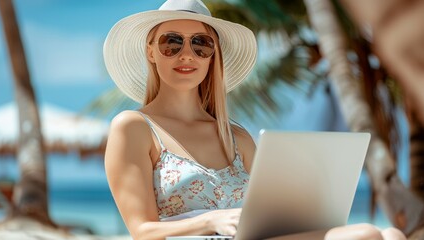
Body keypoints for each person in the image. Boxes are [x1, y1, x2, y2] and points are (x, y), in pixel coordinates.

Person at [103, 0, 407, 239]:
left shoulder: (237, 138)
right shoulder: (134, 127)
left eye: (201, 44)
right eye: (172, 42)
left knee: (391, 234)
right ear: (152, 53)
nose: (187, 55)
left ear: (212, 56)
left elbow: (267, 218)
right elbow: (141, 232)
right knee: (366, 234)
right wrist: (210, 221)